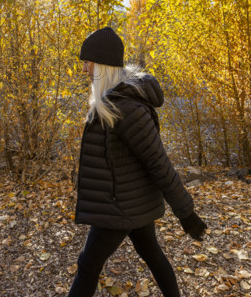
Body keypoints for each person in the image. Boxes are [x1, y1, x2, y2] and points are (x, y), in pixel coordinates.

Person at [69, 26, 207, 297]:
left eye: (88, 62)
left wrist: (186, 213)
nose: (84, 68)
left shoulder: (126, 108)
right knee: (151, 253)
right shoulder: (112, 100)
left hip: (119, 206)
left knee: (88, 264)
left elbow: (158, 161)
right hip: (131, 200)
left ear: (104, 65)